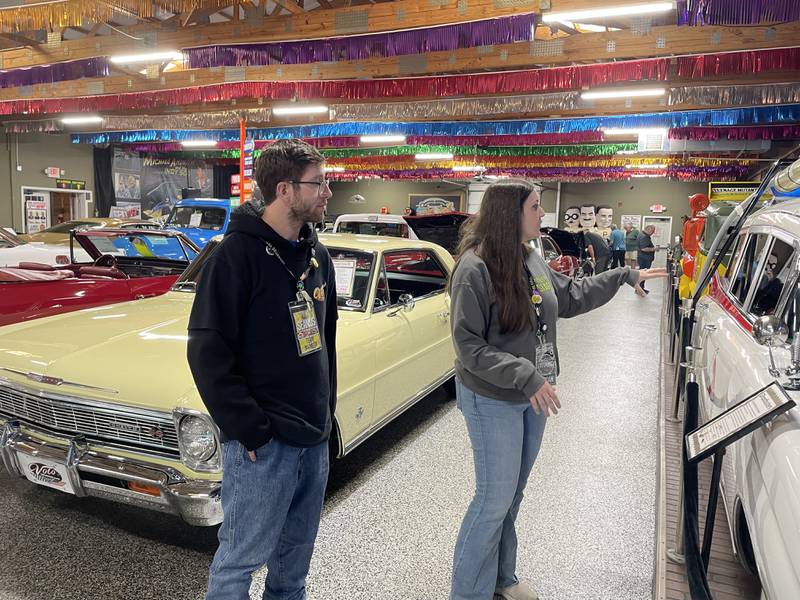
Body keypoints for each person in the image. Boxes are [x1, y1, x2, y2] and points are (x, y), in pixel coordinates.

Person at [448, 179, 665, 600]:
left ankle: (501, 578)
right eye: (534, 206)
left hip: (533, 396)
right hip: (492, 397)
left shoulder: (530, 258)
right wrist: (525, 374)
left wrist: (623, 275)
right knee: (493, 500)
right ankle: (467, 592)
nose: (541, 214)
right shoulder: (473, 268)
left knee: (512, 495)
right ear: (509, 213)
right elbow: (468, 345)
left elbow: (570, 297)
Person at [187, 138, 338, 600]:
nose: (328, 192)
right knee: (239, 562)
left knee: (294, 564)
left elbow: (324, 341)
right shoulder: (234, 256)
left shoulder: (317, 258)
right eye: (319, 183)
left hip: (312, 441)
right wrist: (249, 429)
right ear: (285, 190)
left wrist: (325, 412)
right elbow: (208, 352)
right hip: (263, 448)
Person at [636, 225, 658, 294]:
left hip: (642, 258)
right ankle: (640, 289)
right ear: (648, 229)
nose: (653, 233)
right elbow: (644, 248)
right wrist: (654, 249)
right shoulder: (644, 237)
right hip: (644, 258)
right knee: (643, 275)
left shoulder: (642, 234)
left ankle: (640, 289)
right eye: (652, 231)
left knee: (642, 274)